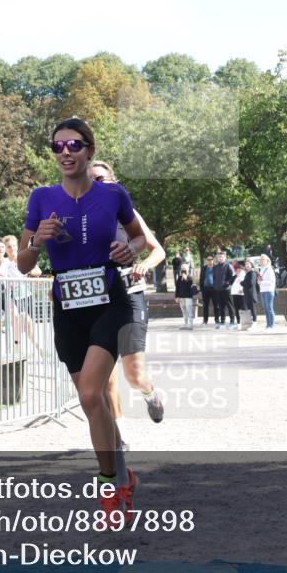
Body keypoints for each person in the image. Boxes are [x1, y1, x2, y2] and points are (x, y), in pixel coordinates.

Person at [16, 117, 145, 526]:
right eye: (57, 147)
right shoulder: (41, 198)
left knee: (91, 394)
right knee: (96, 404)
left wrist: (131, 252)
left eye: (73, 145)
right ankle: (121, 471)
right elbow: (22, 264)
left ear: (89, 150)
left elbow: (139, 237)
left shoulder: (113, 195)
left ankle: (109, 487)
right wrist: (39, 241)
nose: (65, 153)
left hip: (109, 302)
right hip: (67, 309)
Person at [88, 160, 166, 433]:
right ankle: (119, 437)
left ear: (112, 181)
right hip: (97, 301)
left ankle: (150, 393)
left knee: (134, 375)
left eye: (101, 179)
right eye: (90, 180)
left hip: (129, 295)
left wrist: (145, 264)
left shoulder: (128, 213)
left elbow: (158, 250)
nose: (95, 184)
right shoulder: (80, 218)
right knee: (106, 378)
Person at [212, 250, 235, 329]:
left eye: (221, 257)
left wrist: (227, 283)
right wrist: (215, 285)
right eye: (219, 257)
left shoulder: (228, 265)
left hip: (226, 289)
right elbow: (214, 277)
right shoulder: (215, 267)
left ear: (225, 257)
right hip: (218, 289)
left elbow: (232, 277)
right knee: (221, 306)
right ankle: (222, 322)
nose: (220, 258)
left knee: (230, 305)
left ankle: (232, 321)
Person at [256, 253, 276, 330]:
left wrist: (261, 282)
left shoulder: (269, 269)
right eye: (260, 259)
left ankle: (272, 325)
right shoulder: (262, 269)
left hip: (269, 290)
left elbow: (271, 282)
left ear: (267, 260)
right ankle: (268, 325)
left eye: (262, 259)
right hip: (263, 290)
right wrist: (259, 281)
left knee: (269, 308)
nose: (261, 261)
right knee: (266, 309)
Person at [240, 259, 259, 327]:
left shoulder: (252, 273)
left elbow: (251, 283)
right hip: (247, 294)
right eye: (246, 264)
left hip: (251, 294)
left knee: (253, 309)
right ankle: (251, 322)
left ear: (251, 265)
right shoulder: (247, 273)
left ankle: (254, 322)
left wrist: (242, 283)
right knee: (249, 309)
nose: (246, 265)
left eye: (248, 264)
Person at [200, 255, 216, 325]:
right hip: (205, 289)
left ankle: (217, 320)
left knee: (216, 305)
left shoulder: (216, 268)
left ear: (213, 260)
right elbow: (201, 279)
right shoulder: (204, 268)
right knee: (205, 306)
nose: (210, 261)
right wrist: (201, 289)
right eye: (208, 260)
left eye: (211, 259)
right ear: (207, 261)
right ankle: (205, 320)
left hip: (214, 289)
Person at [230, 261, 246, 330]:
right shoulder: (235, 274)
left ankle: (244, 323)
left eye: (239, 270)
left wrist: (242, 289)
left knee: (243, 308)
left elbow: (245, 283)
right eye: (237, 270)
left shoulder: (244, 275)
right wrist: (235, 275)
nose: (238, 271)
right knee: (236, 309)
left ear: (242, 269)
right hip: (234, 293)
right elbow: (230, 282)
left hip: (241, 294)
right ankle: (239, 323)